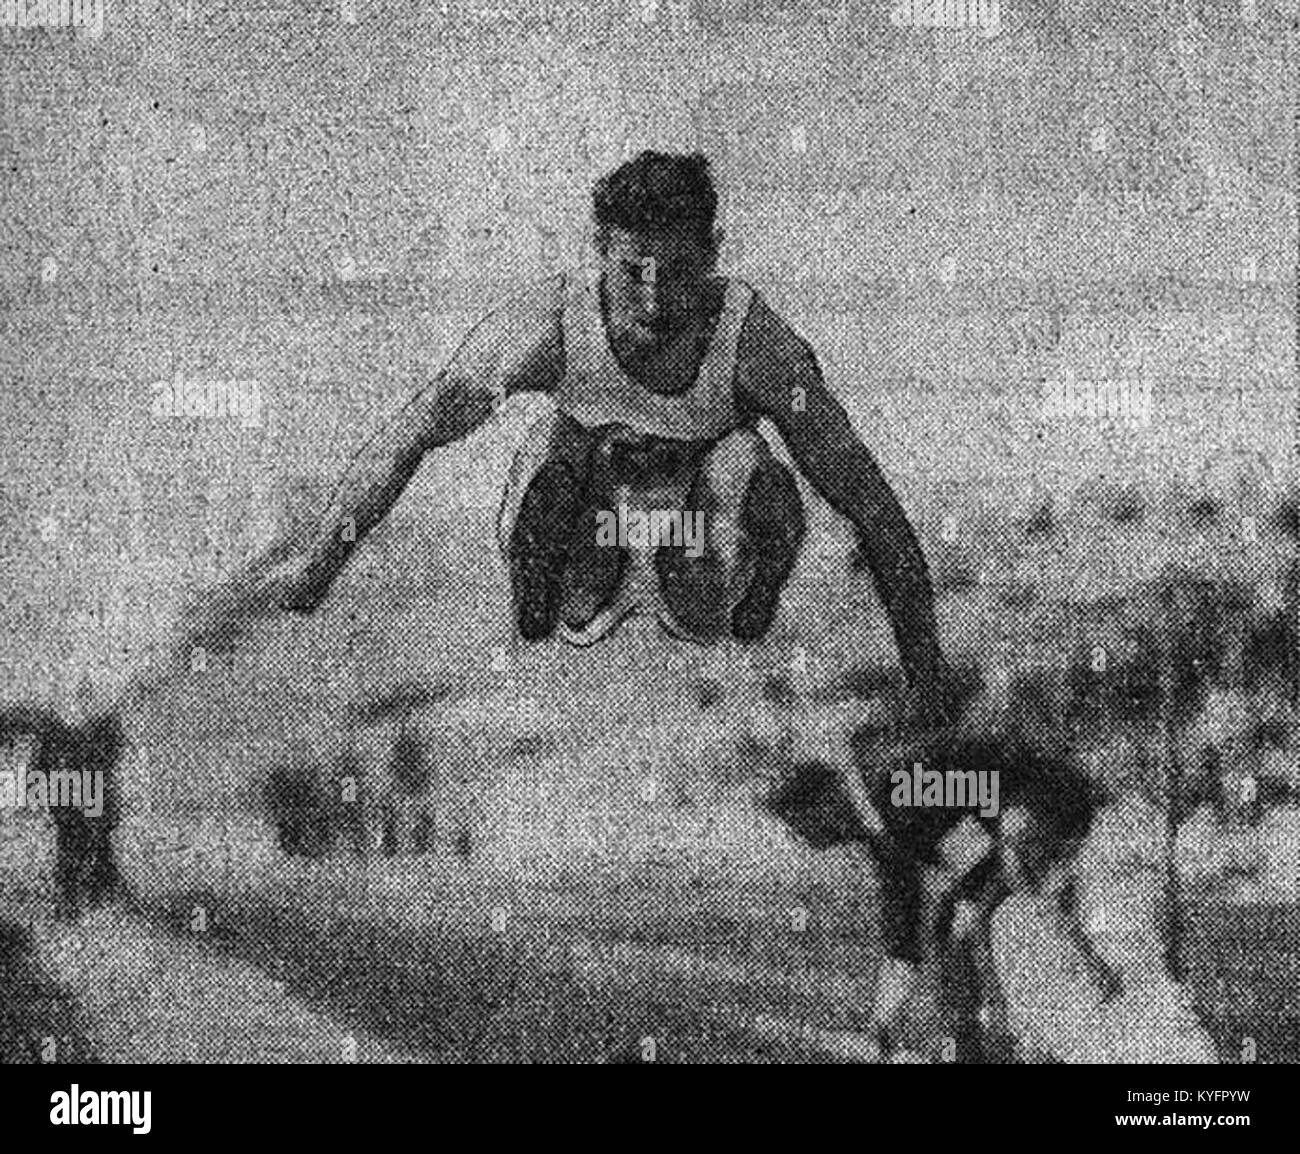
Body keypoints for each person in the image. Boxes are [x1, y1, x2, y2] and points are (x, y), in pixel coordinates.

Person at [188, 151, 951, 720]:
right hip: (597, 515)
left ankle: (757, 575)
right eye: (632, 271)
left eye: (681, 270)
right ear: (599, 251)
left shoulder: (760, 349)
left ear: (716, 254)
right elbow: (414, 432)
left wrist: (926, 673)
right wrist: (318, 569)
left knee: (751, 466)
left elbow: (871, 503)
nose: (654, 299)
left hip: (696, 530)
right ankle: (545, 570)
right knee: (560, 449)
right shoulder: (550, 325)